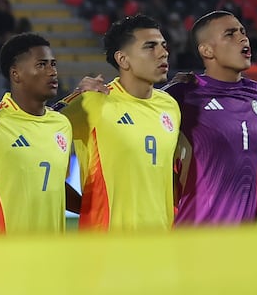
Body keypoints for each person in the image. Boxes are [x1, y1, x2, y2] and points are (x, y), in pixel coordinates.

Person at [62, 14, 180, 231]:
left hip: (160, 247)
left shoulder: (170, 106)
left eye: (163, 46)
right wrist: (72, 97)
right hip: (107, 248)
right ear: (122, 59)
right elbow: (35, 127)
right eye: (150, 46)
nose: (163, 53)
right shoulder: (93, 102)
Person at [164, 11, 257, 225]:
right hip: (196, 238)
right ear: (207, 50)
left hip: (244, 243)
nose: (243, 38)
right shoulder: (184, 93)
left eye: (243, 32)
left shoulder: (256, 92)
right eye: (230, 34)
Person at [0, 33, 74, 233]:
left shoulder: (61, 124)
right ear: (16, 74)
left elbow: (54, 184)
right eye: (41, 65)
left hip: (51, 255)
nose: (52, 72)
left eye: (53, 64)